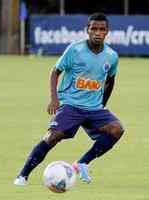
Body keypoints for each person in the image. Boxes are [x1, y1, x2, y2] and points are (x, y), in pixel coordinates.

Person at [14, 13, 124, 186]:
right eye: (94, 28)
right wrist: (54, 99)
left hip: (94, 108)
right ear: (87, 30)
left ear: (107, 32)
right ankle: (23, 175)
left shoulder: (111, 56)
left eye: (101, 29)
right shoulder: (75, 49)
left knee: (116, 129)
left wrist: (102, 104)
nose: (97, 32)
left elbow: (110, 80)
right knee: (53, 136)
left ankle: (82, 163)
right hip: (71, 105)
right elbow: (55, 71)